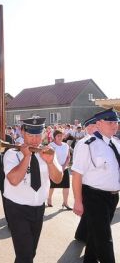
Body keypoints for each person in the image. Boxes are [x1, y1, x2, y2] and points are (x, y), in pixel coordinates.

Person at [3, 117, 63, 263]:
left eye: (38, 134)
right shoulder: (12, 153)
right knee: (25, 255)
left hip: (38, 208)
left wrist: (50, 163)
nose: (35, 140)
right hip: (17, 208)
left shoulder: (48, 152)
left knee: (30, 251)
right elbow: (14, 180)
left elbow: (57, 178)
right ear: (22, 132)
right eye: (31, 135)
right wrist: (26, 157)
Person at [72, 108, 120, 262]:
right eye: (110, 122)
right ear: (99, 123)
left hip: (112, 197)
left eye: (116, 122)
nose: (115, 125)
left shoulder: (116, 144)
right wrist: (78, 201)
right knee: (104, 239)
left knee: (95, 237)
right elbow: (77, 175)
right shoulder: (87, 144)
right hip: (94, 197)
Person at [74, 116, 97, 243]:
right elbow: (78, 168)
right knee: (88, 211)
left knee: (88, 212)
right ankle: (84, 235)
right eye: (93, 126)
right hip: (85, 182)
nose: (96, 128)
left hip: (91, 182)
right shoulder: (83, 143)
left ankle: (81, 234)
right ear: (88, 128)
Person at [46, 129, 71, 209]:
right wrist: (57, 167)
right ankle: (49, 199)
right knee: (52, 186)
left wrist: (63, 167)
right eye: (58, 136)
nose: (60, 137)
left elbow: (68, 158)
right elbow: (49, 157)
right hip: (53, 168)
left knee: (66, 186)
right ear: (54, 137)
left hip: (64, 168)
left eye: (61, 136)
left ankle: (65, 203)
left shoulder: (66, 145)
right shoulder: (51, 145)